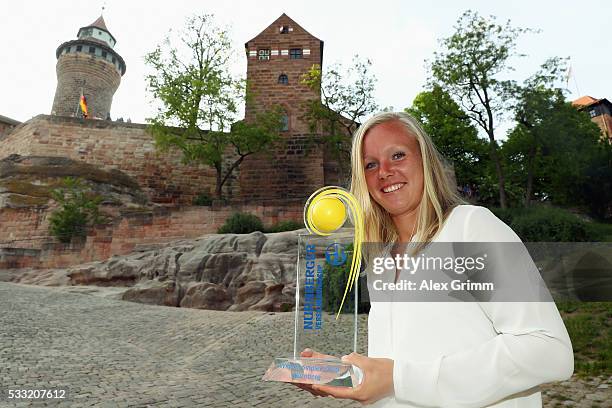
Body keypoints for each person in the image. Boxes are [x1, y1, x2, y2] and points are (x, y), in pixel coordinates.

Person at [296, 111, 573, 407]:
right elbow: (402, 365)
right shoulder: (381, 257)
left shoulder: (472, 228)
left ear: (425, 160)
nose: (384, 172)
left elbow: (550, 350)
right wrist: (350, 375)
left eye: (398, 155)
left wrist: (398, 379)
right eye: (370, 164)